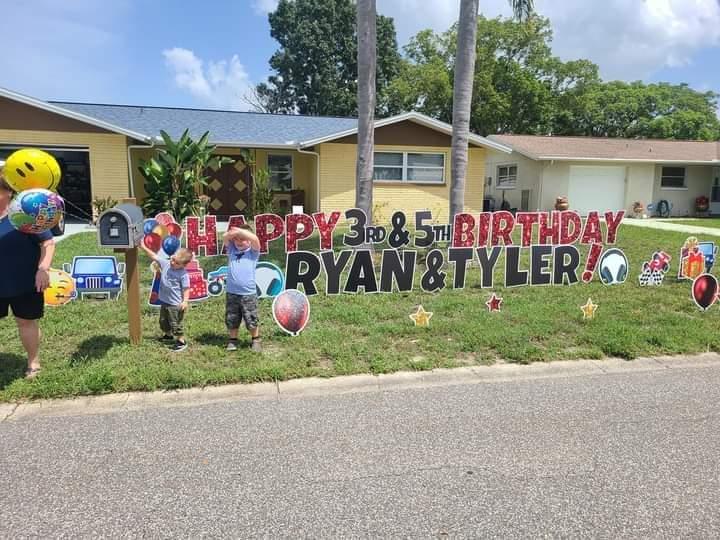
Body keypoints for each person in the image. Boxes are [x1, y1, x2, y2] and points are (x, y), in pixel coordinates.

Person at [0, 172, 56, 378]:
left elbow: (47, 243)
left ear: (8, 192)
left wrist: (43, 269)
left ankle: (33, 362)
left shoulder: (22, 216)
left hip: (24, 281)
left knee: (25, 321)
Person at [140, 242, 193, 352]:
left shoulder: (183, 274)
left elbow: (186, 289)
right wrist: (143, 246)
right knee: (163, 321)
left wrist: (185, 301)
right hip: (164, 301)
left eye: (177, 263)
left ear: (183, 265)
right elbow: (153, 256)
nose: (173, 263)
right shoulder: (166, 264)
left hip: (175, 304)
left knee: (175, 323)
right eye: (173, 259)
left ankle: (181, 341)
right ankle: (168, 335)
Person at [223, 224, 262, 352]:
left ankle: (255, 339)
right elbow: (225, 237)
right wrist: (235, 233)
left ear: (249, 240)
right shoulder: (232, 250)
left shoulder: (253, 252)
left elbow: (255, 239)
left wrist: (240, 231)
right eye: (236, 239)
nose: (239, 242)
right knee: (232, 317)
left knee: (251, 317)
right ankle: (233, 340)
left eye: (243, 239)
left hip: (248, 293)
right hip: (232, 292)